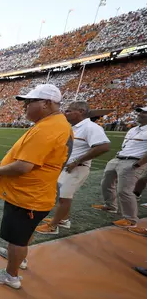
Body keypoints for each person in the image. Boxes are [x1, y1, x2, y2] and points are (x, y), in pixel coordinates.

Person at [0, 84, 73, 289]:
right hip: (35, 193)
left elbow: (24, 166)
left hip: (28, 195)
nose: (25, 106)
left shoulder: (48, 127)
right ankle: (19, 257)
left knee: (17, 238)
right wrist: (3, 164)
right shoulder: (55, 123)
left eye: (30, 102)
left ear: (46, 103)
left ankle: (10, 275)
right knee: (23, 234)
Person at [36, 101, 110, 235]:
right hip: (68, 167)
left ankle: (53, 226)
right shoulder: (74, 127)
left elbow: (103, 146)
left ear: (81, 112)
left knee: (64, 197)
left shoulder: (91, 127)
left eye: (69, 111)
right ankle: (63, 219)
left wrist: (77, 161)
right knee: (63, 196)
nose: (66, 113)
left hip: (77, 168)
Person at [92, 106, 147, 233]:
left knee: (125, 191)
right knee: (106, 183)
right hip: (119, 158)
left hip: (133, 161)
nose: (140, 115)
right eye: (140, 112)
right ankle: (110, 206)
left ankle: (130, 219)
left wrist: (140, 163)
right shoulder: (133, 129)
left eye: (144, 113)